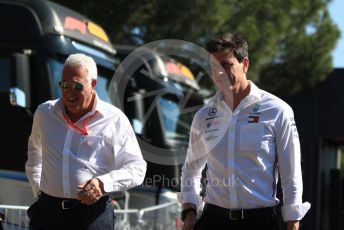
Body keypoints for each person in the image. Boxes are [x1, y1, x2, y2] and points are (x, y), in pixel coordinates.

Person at [177, 33, 310, 230]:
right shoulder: (203, 116)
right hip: (212, 220)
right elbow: (191, 169)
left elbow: (290, 174)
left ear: (244, 64)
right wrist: (189, 211)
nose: (219, 73)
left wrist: (293, 222)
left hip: (260, 221)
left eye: (226, 64)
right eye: (214, 67)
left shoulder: (277, 110)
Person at [25, 53, 147, 230]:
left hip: (92, 216)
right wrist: (39, 188)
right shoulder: (44, 113)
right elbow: (34, 150)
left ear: (93, 84)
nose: (69, 92)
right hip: (46, 214)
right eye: (64, 85)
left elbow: (137, 167)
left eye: (76, 85)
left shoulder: (115, 119)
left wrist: (103, 183)